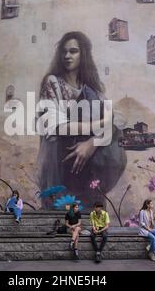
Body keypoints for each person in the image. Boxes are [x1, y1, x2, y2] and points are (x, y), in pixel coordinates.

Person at [37, 31, 127, 207]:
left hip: (90, 163)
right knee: (65, 211)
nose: (67, 56)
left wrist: (92, 143)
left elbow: (116, 120)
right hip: (61, 160)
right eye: (64, 51)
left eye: (73, 51)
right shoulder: (53, 82)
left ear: (83, 54)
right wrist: (99, 124)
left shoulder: (93, 88)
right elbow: (56, 126)